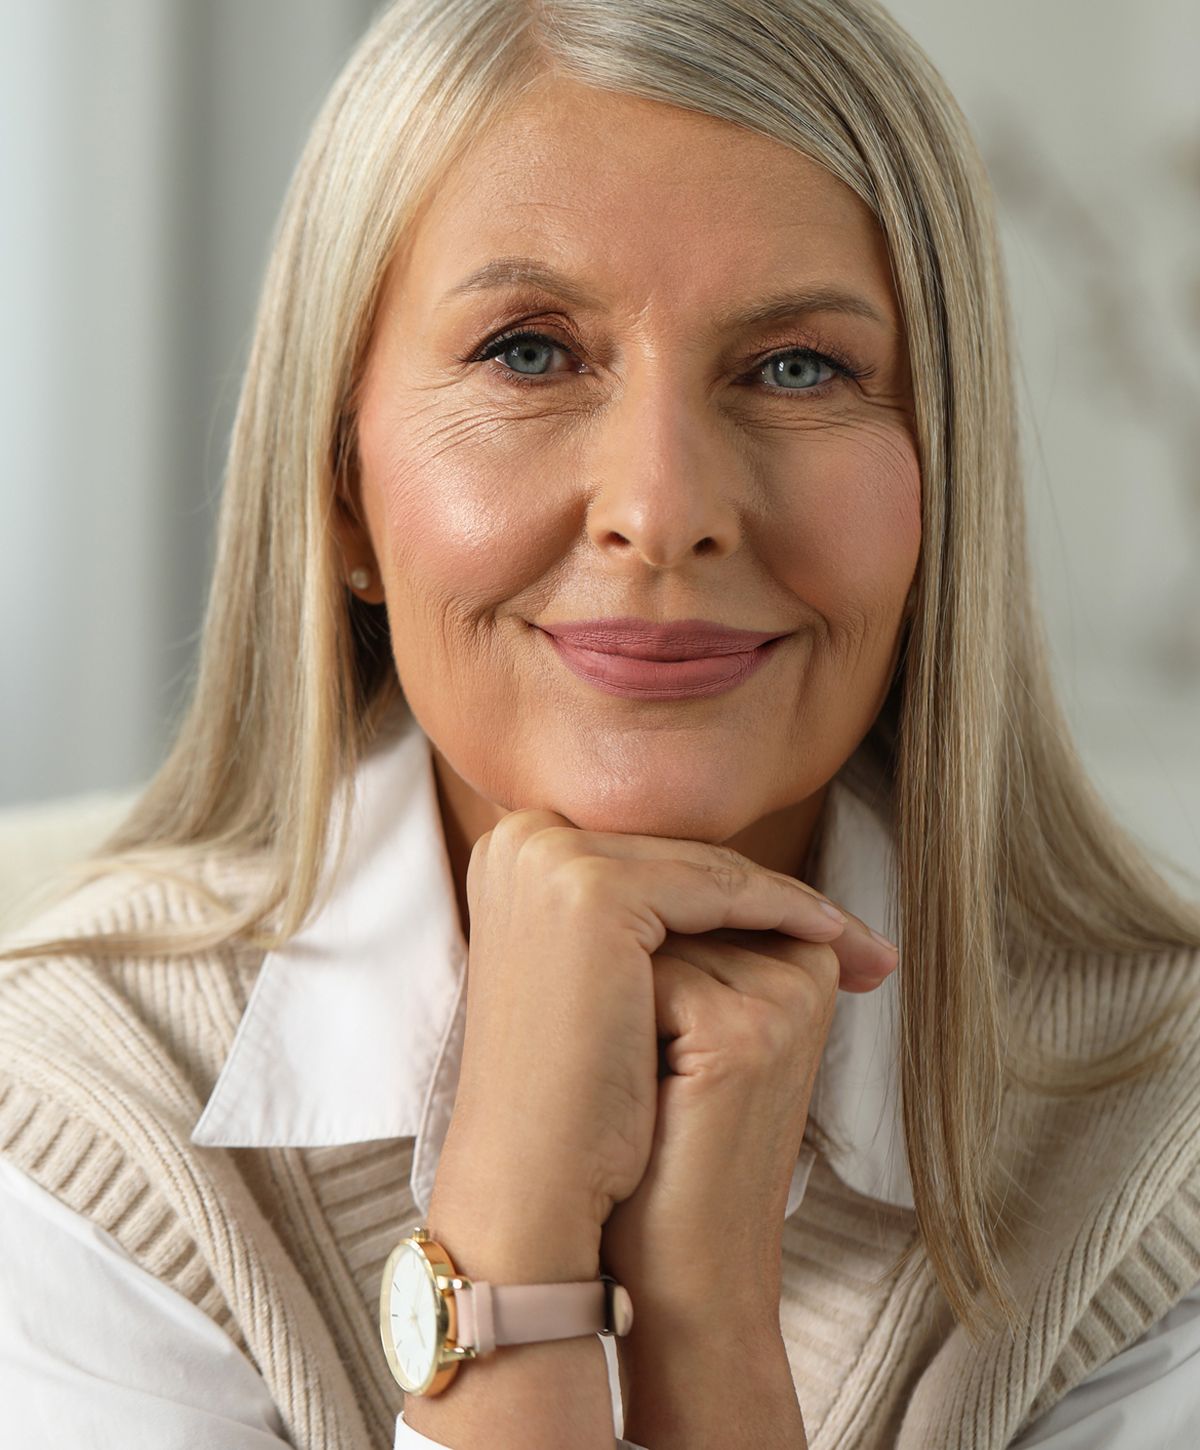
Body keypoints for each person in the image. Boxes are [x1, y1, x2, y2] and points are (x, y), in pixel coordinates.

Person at [3, 0, 1200, 1446]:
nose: (664, 508)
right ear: (342, 494)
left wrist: (706, 1326)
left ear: (941, 484)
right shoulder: (74, 1111)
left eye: (798, 365)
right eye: (528, 353)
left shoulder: (1161, 1141)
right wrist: (508, 1250)